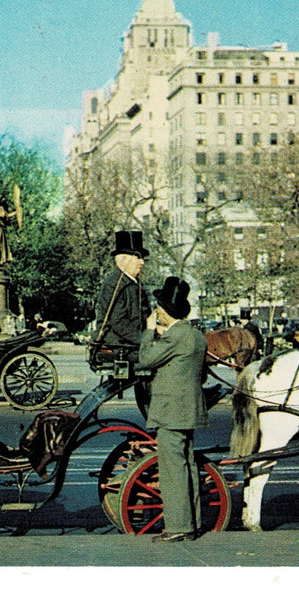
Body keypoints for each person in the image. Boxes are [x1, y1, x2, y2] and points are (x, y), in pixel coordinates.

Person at [137, 276, 208, 542]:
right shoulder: (196, 335)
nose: (156, 311)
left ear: (165, 311)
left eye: (158, 307)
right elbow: (200, 374)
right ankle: (193, 523)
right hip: (188, 411)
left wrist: (148, 332)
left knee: (173, 470)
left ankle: (179, 527)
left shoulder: (176, 336)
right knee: (187, 466)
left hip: (171, 412)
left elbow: (146, 359)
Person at [93, 230, 150, 355]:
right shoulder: (114, 284)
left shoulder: (135, 284)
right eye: (138, 257)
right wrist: (145, 341)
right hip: (119, 346)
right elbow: (118, 323)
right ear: (124, 259)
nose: (142, 262)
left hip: (133, 343)